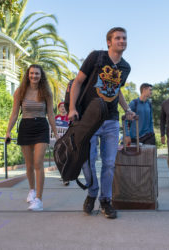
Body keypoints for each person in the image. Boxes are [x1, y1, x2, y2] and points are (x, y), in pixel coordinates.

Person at [68, 27, 133, 219]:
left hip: (111, 120)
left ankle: (105, 200)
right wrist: (72, 108)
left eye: (124, 38)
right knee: (87, 161)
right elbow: (78, 82)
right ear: (109, 42)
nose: (122, 41)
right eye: (118, 38)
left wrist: (127, 109)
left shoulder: (126, 67)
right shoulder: (96, 57)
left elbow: (117, 90)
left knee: (109, 163)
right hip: (88, 119)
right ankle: (92, 192)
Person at [5, 64, 58, 211]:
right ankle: (32, 190)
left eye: (37, 74)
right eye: (32, 73)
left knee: (38, 163)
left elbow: (51, 115)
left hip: (41, 127)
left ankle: (39, 200)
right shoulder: (20, 92)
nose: (34, 76)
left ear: (41, 76)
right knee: (28, 165)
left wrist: (56, 134)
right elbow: (15, 113)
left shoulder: (46, 92)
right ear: (28, 75)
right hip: (25, 127)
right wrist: (8, 131)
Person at [55, 101, 70, 186]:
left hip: (68, 141)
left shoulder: (70, 117)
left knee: (67, 157)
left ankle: (66, 177)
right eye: (61, 107)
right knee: (60, 158)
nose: (62, 108)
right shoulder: (56, 117)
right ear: (58, 108)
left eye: (64, 106)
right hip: (59, 141)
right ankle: (64, 175)